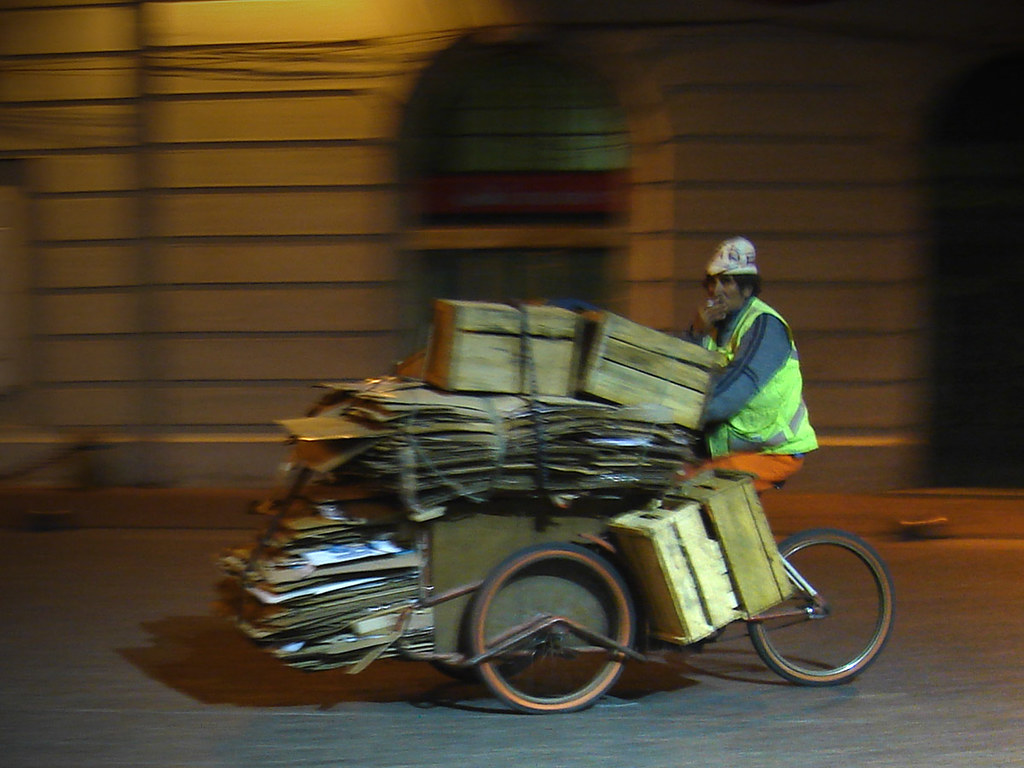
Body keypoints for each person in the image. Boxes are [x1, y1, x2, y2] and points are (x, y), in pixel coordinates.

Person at [681, 237, 817, 492]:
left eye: (727, 281)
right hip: (729, 449)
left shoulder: (764, 327)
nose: (716, 290)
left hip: (771, 452)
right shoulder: (713, 329)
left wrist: (678, 413)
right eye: (712, 282)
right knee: (673, 477)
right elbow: (684, 376)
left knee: (697, 488)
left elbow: (733, 391)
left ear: (747, 289)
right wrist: (696, 333)